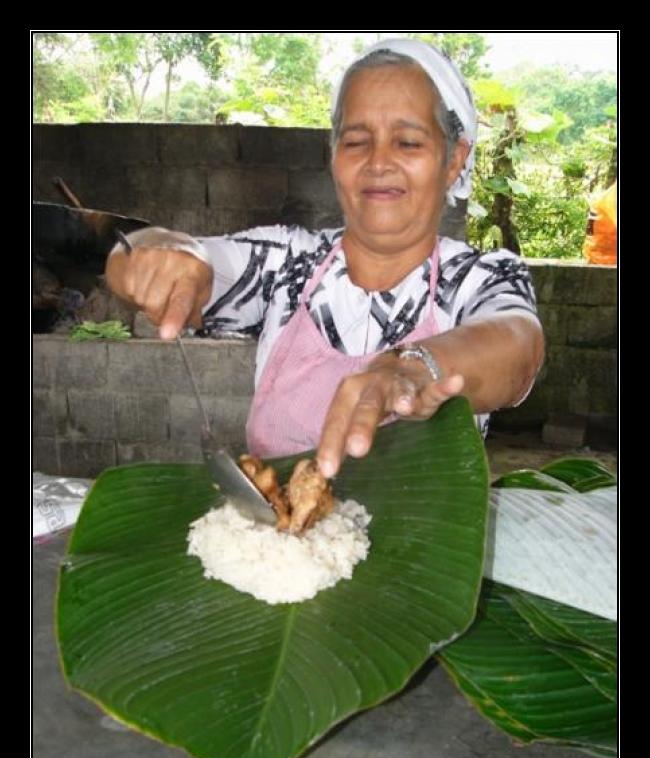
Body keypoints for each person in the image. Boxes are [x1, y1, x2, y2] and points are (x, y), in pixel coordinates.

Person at [106, 38, 545, 479]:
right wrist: (156, 254)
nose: (378, 162)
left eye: (408, 143)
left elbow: (518, 345)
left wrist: (415, 368)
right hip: (281, 541)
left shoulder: (480, 277)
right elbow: (166, 256)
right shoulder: (287, 265)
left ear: (454, 160)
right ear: (334, 156)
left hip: (421, 546)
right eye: (356, 142)